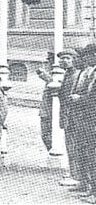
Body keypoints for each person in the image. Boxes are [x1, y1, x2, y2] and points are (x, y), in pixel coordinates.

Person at [67, 44, 96, 202]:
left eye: (87, 56)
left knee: (92, 155)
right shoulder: (89, 71)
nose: (85, 59)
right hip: (84, 119)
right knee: (84, 152)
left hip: (92, 120)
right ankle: (87, 185)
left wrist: (80, 99)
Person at [57, 49, 81, 188]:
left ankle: (76, 175)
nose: (64, 61)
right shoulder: (68, 74)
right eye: (62, 59)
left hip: (73, 115)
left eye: (67, 58)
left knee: (74, 145)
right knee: (70, 145)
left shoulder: (75, 74)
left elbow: (69, 96)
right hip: (68, 114)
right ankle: (74, 173)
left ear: (74, 59)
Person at [36, 52, 55, 152]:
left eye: (50, 61)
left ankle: (53, 152)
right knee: (45, 135)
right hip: (45, 111)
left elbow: (55, 84)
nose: (49, 63)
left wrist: (44, 75)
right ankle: (50, 151)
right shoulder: (51, 72)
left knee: (49, 134)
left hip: (52, 111)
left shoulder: (58, 73)